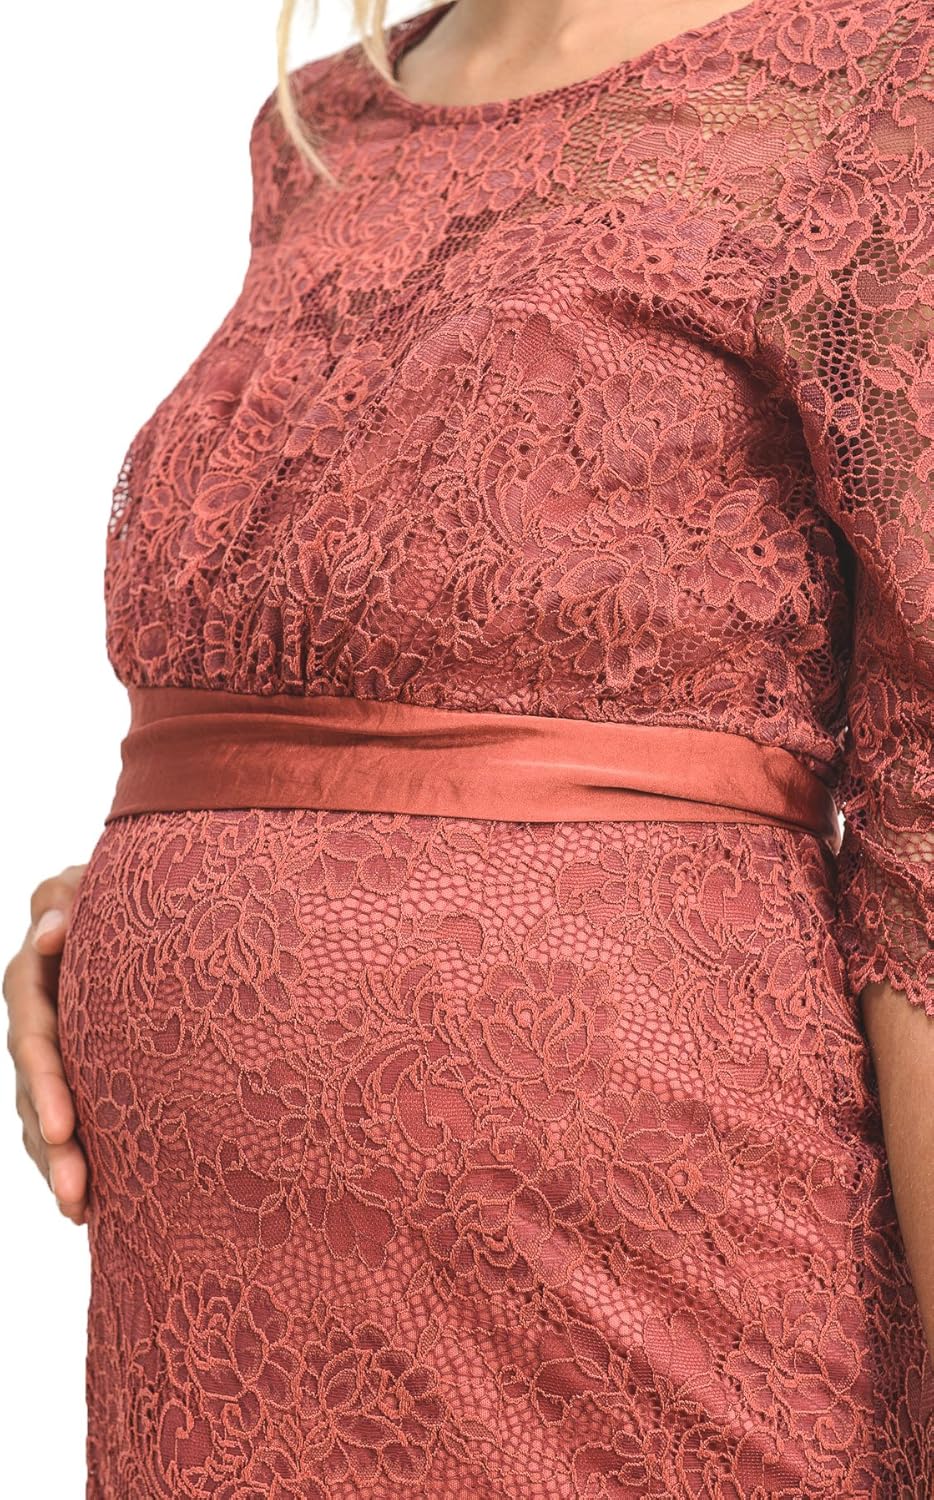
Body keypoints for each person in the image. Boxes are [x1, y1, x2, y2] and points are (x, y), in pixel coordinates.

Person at [4, 0, 933, 1493]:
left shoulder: (883, 90)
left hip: (642, 1289)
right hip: (219, 1303)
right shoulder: (321, 128)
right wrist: (144, 895)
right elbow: (358, 671)